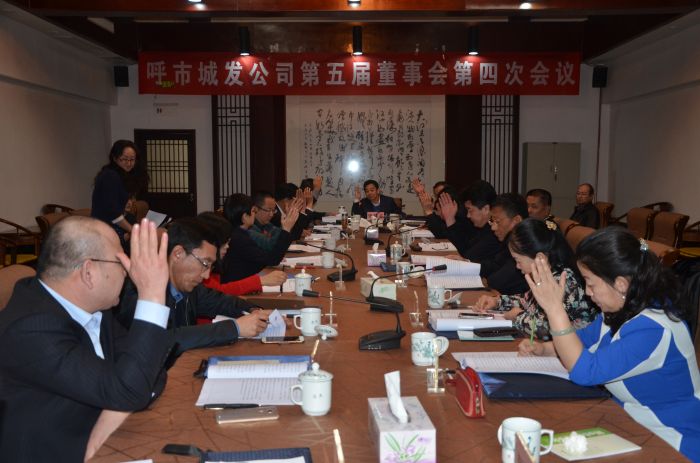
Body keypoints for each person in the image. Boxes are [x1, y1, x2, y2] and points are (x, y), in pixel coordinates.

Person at [0, 216, 173, 462]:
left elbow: (150, 371)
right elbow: (133, 385)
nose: (127, 272)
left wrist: (105, 423)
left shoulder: (95, 308)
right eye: (120, 262)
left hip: (100, 445)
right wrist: (152, 295)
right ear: (88, 272)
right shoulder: (31, 330)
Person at [519, 227, 700, 461]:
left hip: (673, 442)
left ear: (621, 284)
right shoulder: (621, 310)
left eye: (590, 283)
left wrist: (555, 309)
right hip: (631, 425)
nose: (587, 292)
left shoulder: (654, 329)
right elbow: (581, 342)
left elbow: (585, 370)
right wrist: (545, 349)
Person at [117, 218, 269, 355]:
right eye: (205, 263)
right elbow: (163, 340)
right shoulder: (140, 291)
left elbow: (220, 301)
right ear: (178, 254)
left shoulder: (188, 288)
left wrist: (254, 310)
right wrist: (234, 328)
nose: (207, 275)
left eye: (210, 266)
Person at [474, 218, 597, 339]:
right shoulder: (548, 274)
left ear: (540, 258)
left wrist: (518, 317)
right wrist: (497, 301)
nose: (517, 266)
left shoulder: (564, 281)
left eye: (518, 260)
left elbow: (548, 328)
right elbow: (526, 300)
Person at [197, 211, 287, 295]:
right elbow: (218, 292)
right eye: (224, 243)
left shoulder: (215, 263)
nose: (227, 246)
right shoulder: (199, 266)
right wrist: (260, 281)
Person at [221, 193, 298, 281]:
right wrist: (286, 229)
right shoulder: (239, 238)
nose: (255, 214)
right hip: (238, 284)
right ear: (245, 216)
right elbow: (272, 259)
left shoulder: (237, 233)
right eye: (253, 211)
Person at [91, 140, 149, 247]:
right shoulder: (110, 176)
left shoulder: (122, 175)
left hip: (114, 226)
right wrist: (132, 230)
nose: (129, 163)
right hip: (105, 230)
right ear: (115, 158)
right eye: (124, 159)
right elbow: (113, 212)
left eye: (132, 159)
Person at [479, 193, 530, 295]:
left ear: (516, 220)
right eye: (492, 221)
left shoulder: (527, 246)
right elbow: (494, 265)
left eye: (497, 222)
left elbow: (496, 282)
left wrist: (487, 280)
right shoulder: (508, 241)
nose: (493, 227)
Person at [440, 180, 499, 263]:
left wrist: (450, 219)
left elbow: (468, 256)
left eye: (469, 209)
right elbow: (465, 248)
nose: (468, 215)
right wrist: (450, 219)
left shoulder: (496, 231)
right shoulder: (483, 227)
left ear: (485, 209)